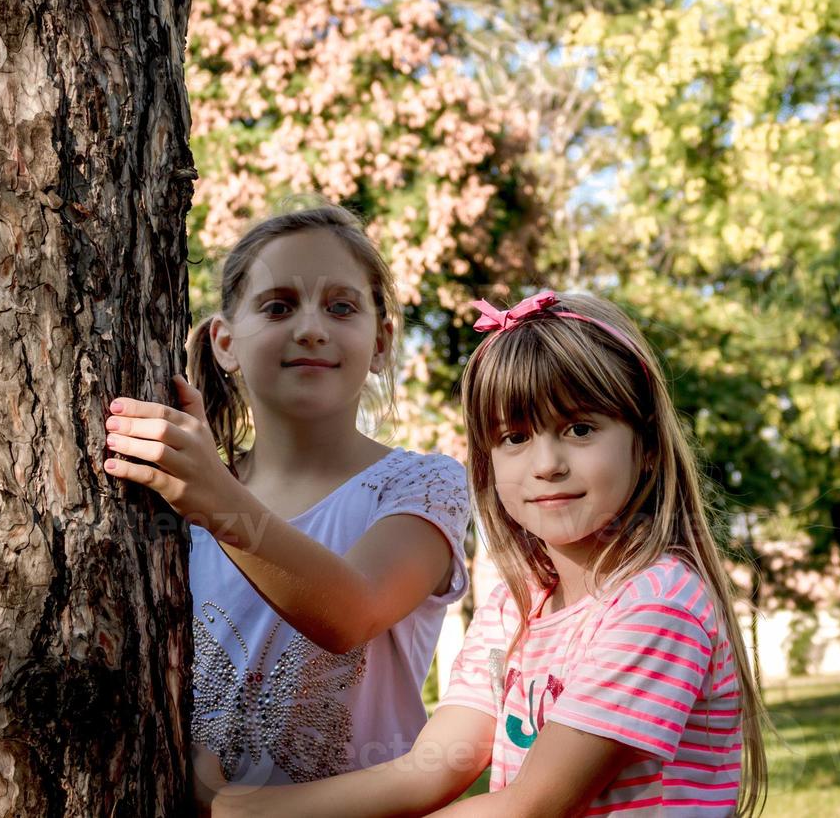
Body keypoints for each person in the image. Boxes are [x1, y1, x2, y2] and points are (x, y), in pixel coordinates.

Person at [208, 290, 767, 816]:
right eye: (515, 438)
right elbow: (429, 769)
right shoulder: (515, 606)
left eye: (579, 428)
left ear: (644, 447)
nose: (547, 463)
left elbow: (530, 805)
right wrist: (242, 806)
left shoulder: (657, 604)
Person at [103, 205, 471, 794]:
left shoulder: (424, 485)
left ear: (381, 342)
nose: (310, 329)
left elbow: (352, 613)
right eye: (277, 306)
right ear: (225, 342)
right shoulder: (179, 500)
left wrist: (213, 499)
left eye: (341, 307)